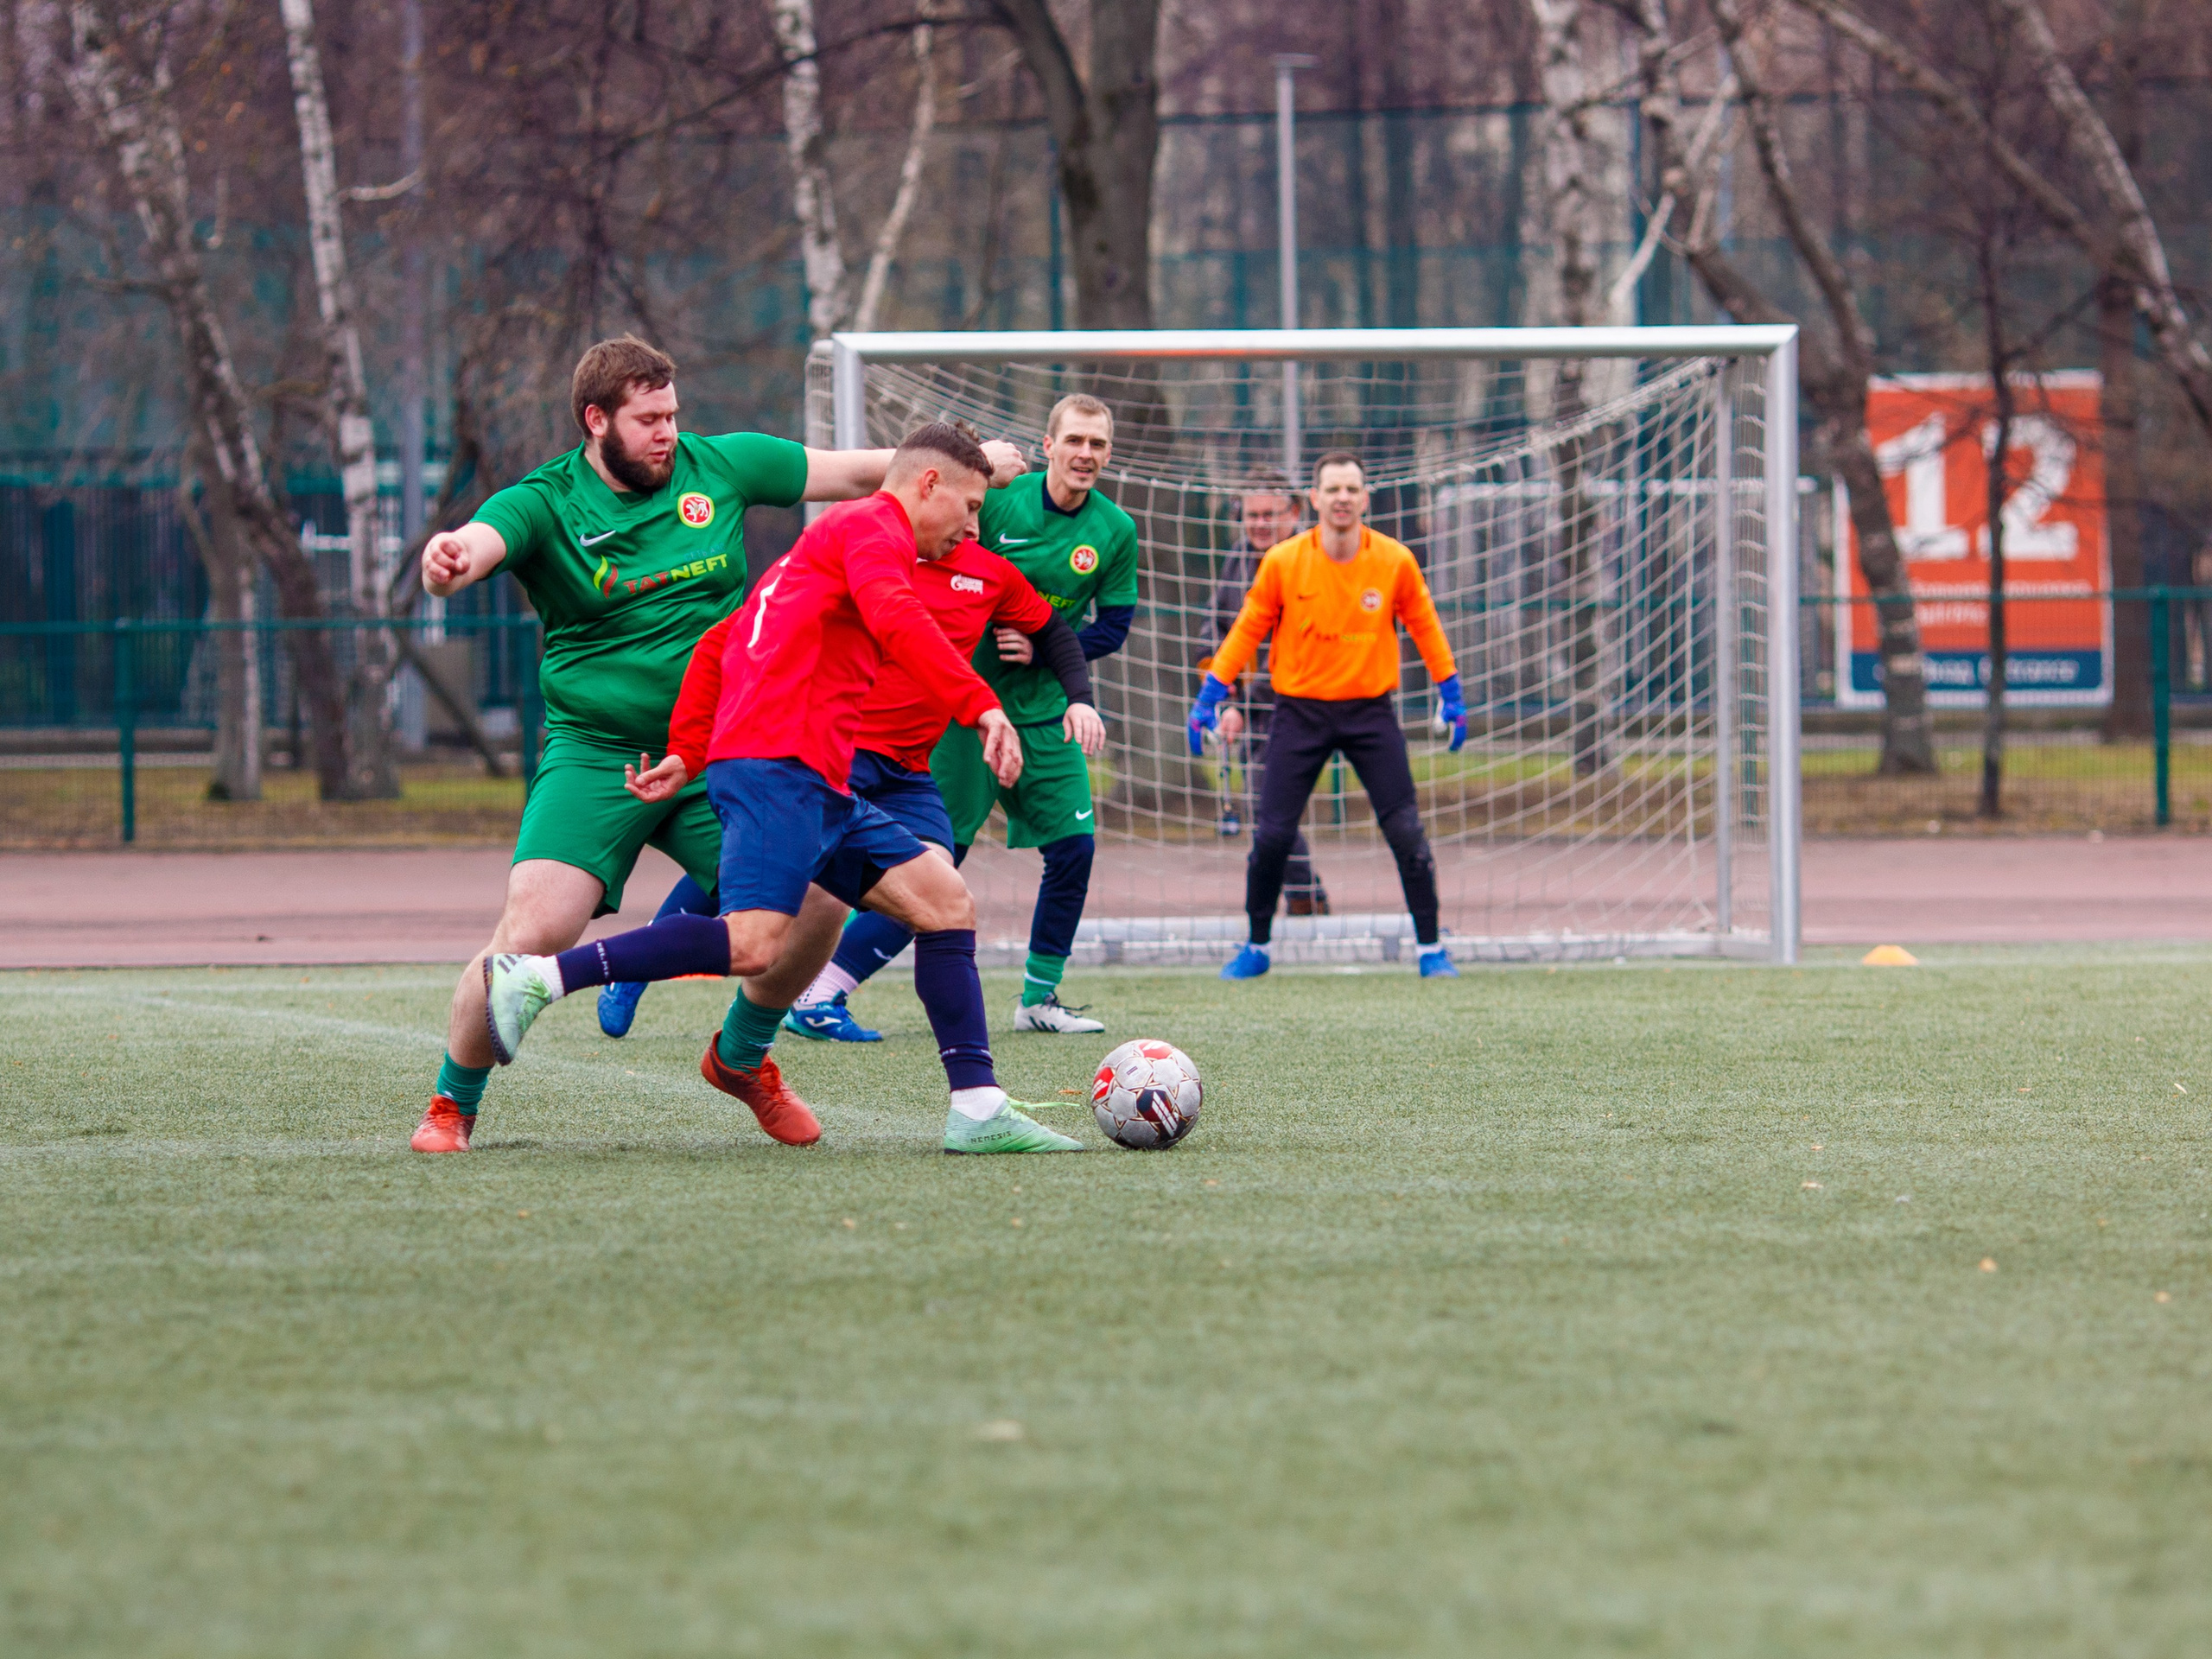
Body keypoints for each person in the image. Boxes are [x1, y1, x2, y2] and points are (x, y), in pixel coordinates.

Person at [406, 335, 1017, 1154]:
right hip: (599, 752)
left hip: (729, 744)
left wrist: (974, 464)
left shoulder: (722, 466)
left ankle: (742, 1056)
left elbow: (859, 472)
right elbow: (482, 540)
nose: (667, 432)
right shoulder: (546, 500)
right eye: (647, 419)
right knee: (535, 928)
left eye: (672, 414)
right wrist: (450, 561)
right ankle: (454, 1103)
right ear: (596, 422)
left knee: (819, 904)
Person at [601, 500, 1107, 1045]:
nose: (972, 520)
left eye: (979, 506)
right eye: (965, 503)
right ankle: (635, 972)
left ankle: (830, 1000)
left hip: (911, 770)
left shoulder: (990, 572)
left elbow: (1053, 630)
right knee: (754, 877)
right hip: (837, 752)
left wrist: (1079, 698)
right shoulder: (868, 555)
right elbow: (728, 639)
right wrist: (689, 749)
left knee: (936, 886)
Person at [1188, 450, 1466, 982]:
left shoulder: (1394, 560)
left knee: (1406, 830)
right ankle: (1257, 945)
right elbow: (1245, 630)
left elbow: (1425, 625)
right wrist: (1211, 696)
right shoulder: (1284, 561)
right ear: (1315, 499)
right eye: (1332, 489)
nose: (1342, 498)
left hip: (1370, 713)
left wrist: (1450, 691)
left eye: (1351, 489)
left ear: (1365, 499)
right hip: (1299, 713)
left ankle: (1431, 948)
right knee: (1270, 835)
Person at [919, 391, 1140, 1033]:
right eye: (1074, 441)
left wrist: (1043, 651)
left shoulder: (1115, 531)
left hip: (1044, 711)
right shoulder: (999, 501)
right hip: (967, 708)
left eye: (1097, 444)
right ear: (1048, 446)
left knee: (1074, 849)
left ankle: (1038, 1001)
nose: (1086, 454)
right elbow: (947, 564)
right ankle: (828, 988)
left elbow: (1114, 626)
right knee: (934, 860)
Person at [1205, 468, 1328, 914]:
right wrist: (1226, 700)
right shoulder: (1237, 561)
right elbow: (1217, 633)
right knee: (1266, 805)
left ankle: (1304, 897)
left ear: (1295, 512)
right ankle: (1304, 896)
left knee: (1269, 804)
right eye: (1250, 514)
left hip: (1310, 702)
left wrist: (1242, 699)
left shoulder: (1314, 558)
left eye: (1269, 514)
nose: (1259, 524)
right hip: (1256, 710)